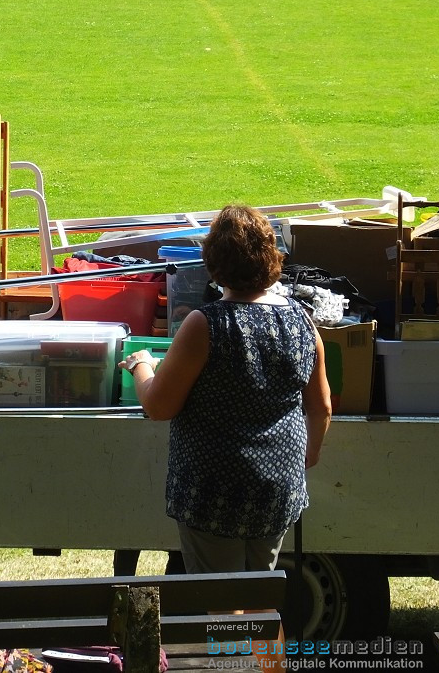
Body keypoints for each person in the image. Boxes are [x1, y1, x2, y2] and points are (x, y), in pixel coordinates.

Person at [120, 204, 332, 662]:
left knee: (219, 606)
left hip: (213, 489)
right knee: (262, 603)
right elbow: (323, 406)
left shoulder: (206, 324)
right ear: (271, 259)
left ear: (214, 262)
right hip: (276, 488)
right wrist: (309, 455)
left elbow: (159, 406)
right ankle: (264, 668)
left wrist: (142, 366)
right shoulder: (302, 322)